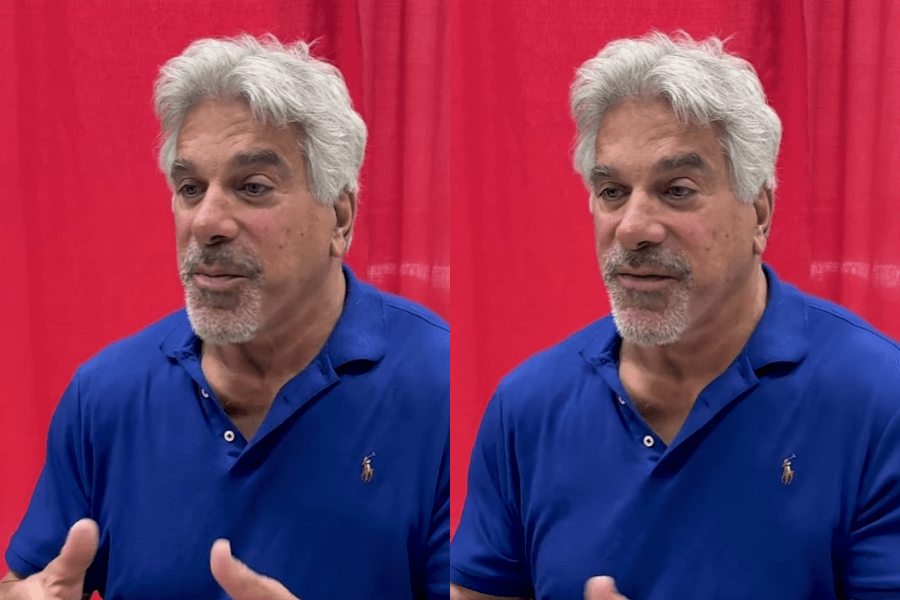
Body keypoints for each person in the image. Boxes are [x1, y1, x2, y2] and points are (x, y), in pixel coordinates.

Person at [450, 32, 900, 600]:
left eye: (677, 190)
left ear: (759, 212)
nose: (633, 227)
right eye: (612, 190)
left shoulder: (880, 401)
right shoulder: (527, 406)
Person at [2, 35, 449, 600]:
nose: (207, 221)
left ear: (340, 216)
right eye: (190, 188)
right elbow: (30, 580)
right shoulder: (106, 395)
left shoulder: (444, 391)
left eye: (252, 187)